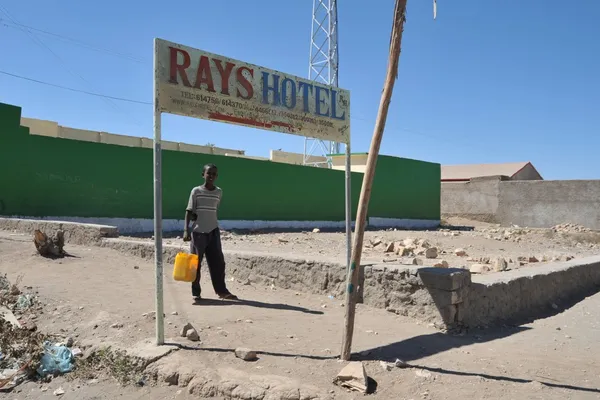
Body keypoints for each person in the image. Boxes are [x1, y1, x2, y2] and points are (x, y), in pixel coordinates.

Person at [183, 163, 238, 301]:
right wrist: (186, 230)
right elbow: (189, 211)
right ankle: (196, 293)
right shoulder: (196, 191)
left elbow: (214, 210)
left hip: (213, 231)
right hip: (198, 232)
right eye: (209, 173)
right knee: (196, 263)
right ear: (203, 175)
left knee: (218, 263)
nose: (211, 176)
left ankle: (222, 291)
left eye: (214, 174)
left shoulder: (219, 192)